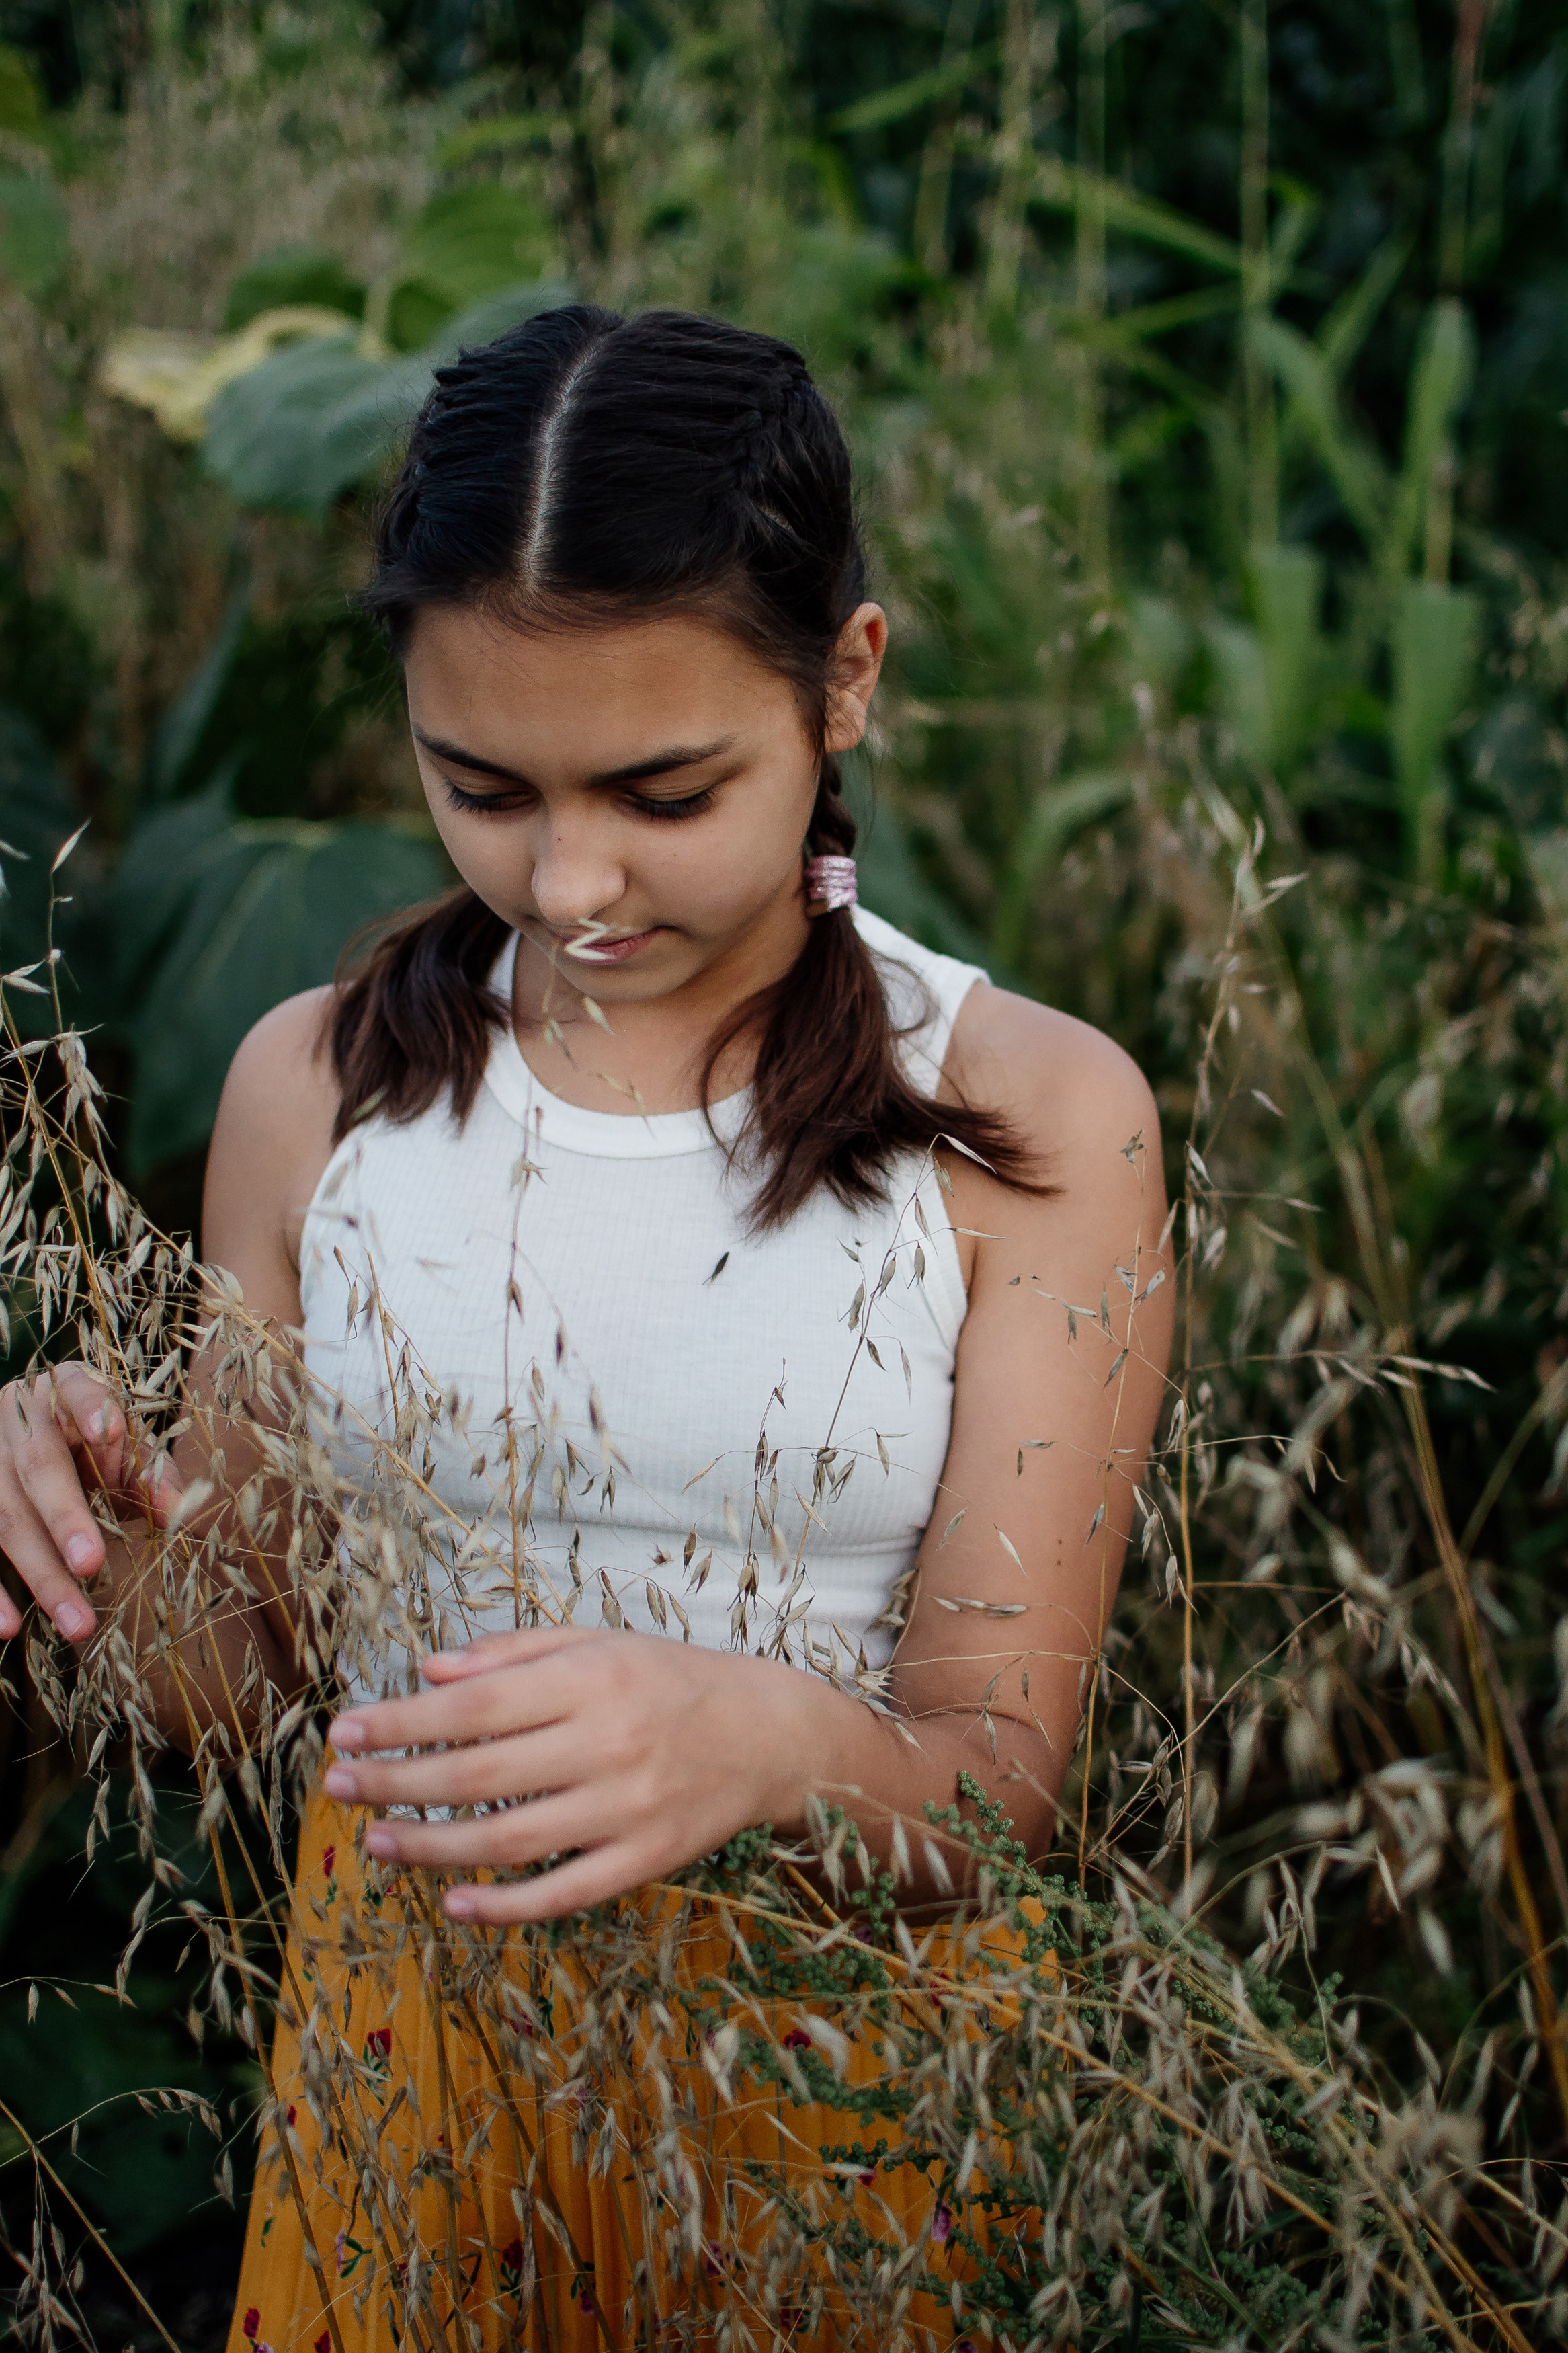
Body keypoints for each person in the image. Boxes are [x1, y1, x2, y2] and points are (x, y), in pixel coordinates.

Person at [0, 306, 1171, 2350]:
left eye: (664, 786)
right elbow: (230, 1683)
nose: (572, 880)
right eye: (483, 786)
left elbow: (996, 1782)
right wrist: (88, 1514)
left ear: (847, 685)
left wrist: (765, 1733)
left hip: (832, 2072)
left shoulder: (1030, 1121)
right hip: (412, 2061)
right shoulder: (325, 1091)